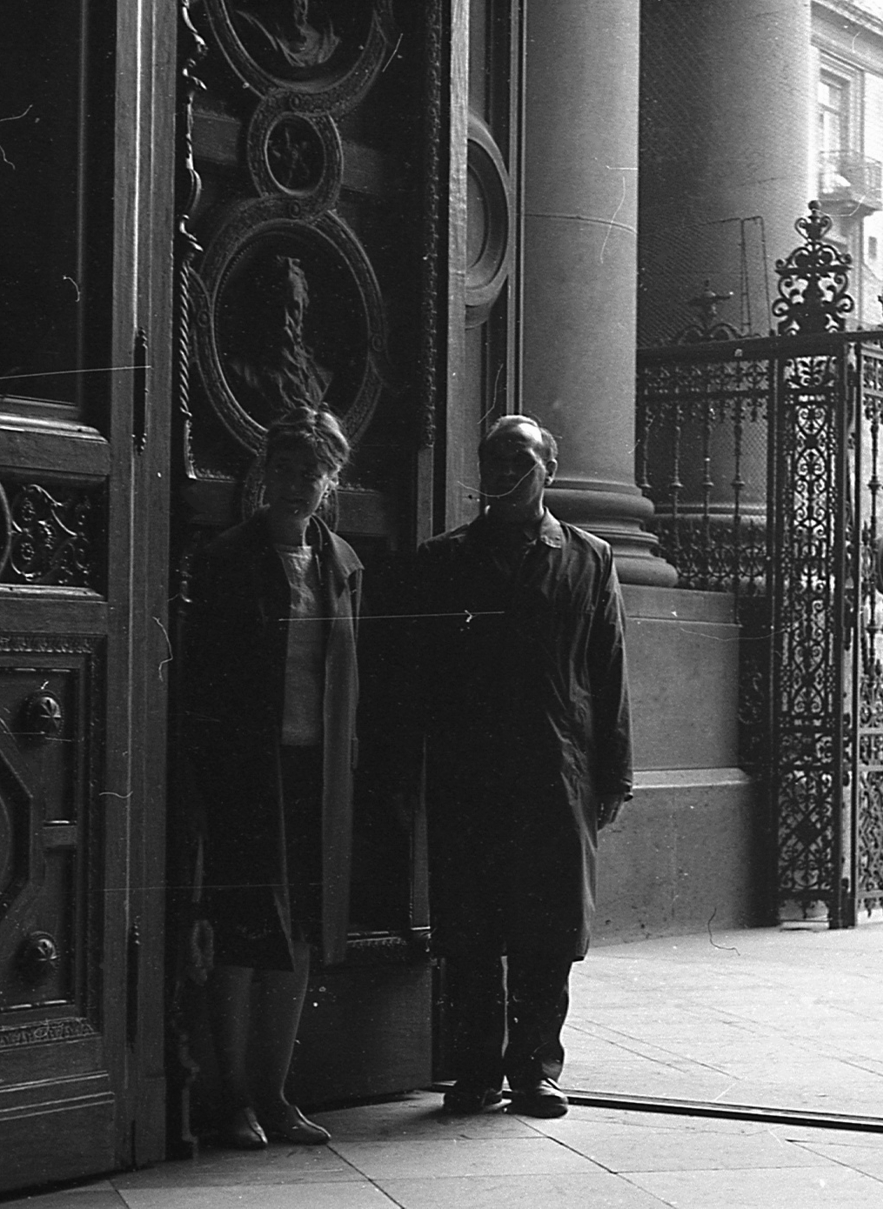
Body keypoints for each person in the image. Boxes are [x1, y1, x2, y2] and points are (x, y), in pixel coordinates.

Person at [396, 414, 632, 1118]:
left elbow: (609, 671)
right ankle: (474, 1072)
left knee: (548, 930)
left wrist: (614, 773)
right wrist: (409, 767)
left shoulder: (589, 558)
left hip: (557, 770)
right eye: (494, 458)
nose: (504, 470)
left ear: (548, 469)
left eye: (520, 458)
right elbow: (417, 675)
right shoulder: (444, 559)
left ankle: (536, 1070)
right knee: (470, 928)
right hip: (468, 773)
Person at [182, 405, 362, 1149]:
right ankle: (233, 1099)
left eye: (310, 471)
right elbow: (203, 679)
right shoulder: (228, 558)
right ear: (264, 474)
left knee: (302, 935)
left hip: (315, 771)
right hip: (245, 770)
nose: (295, 483)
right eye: (283, 469)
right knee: (242, 931)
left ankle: (276, 1094)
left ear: (331, 479)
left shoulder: (343, 564)